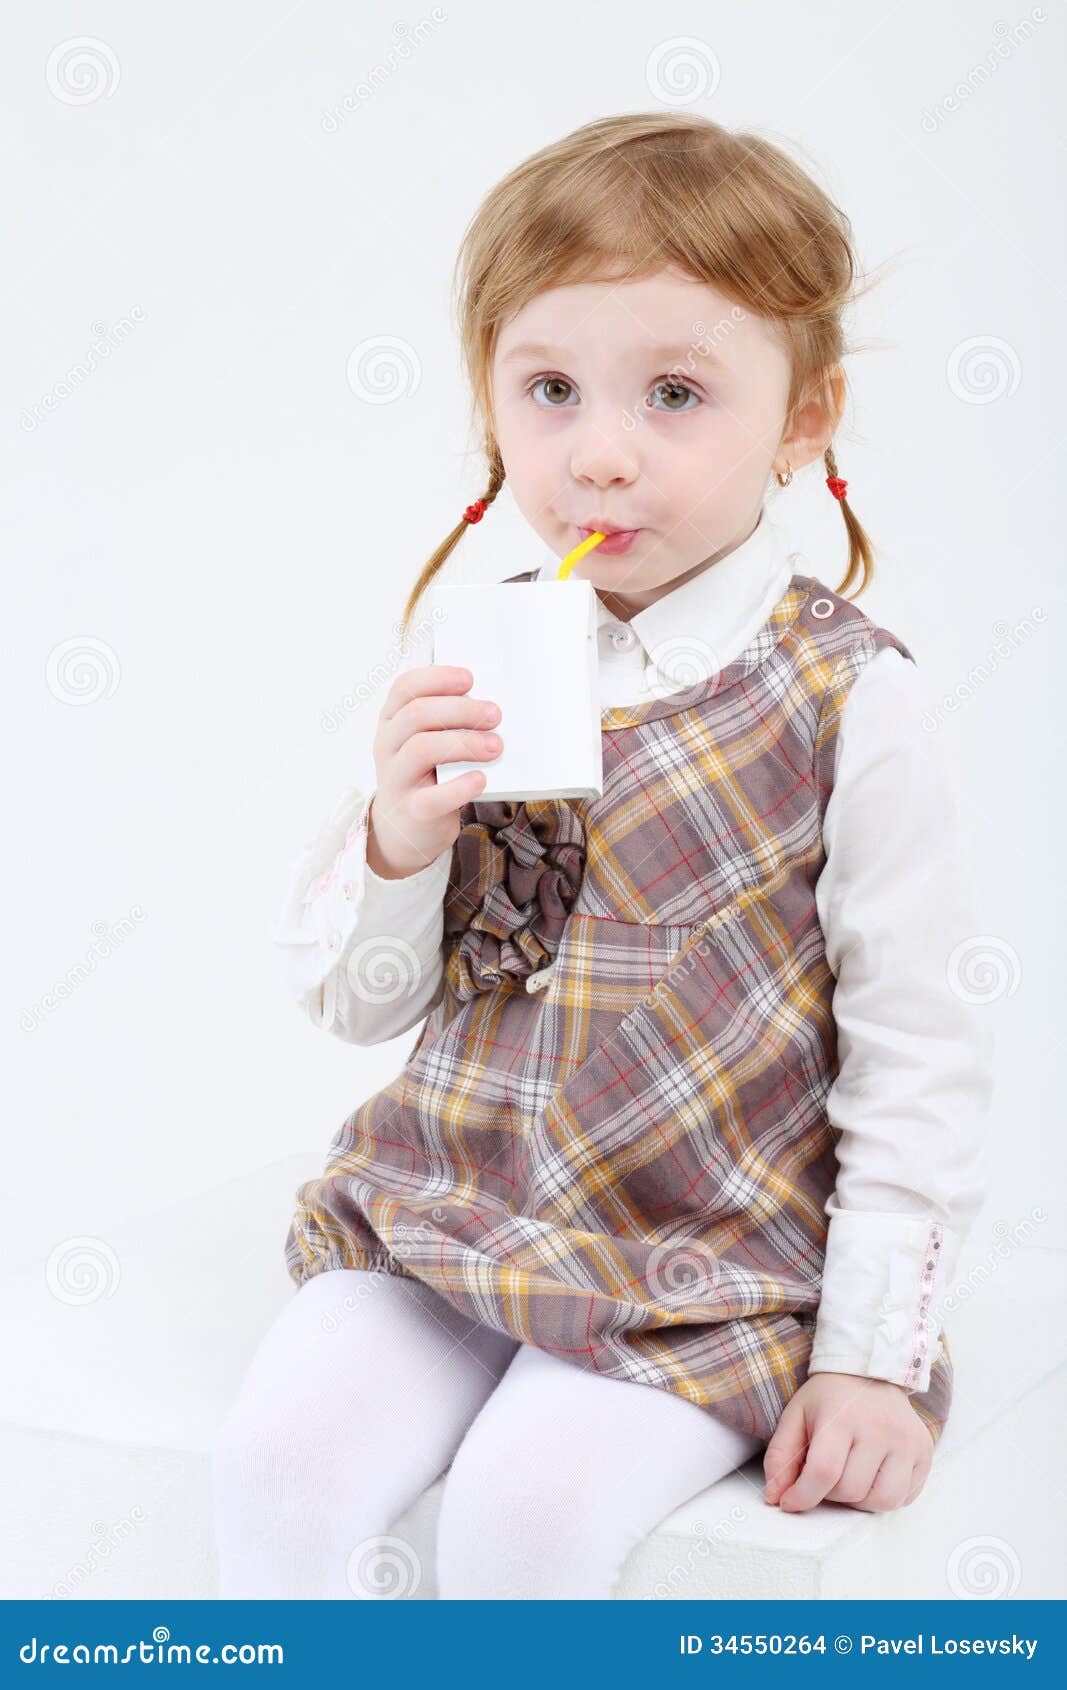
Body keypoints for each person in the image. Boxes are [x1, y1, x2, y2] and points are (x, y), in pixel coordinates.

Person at [211, 112, 993, 1601]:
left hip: (698, 1255)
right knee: (279, 1469)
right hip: (457, 1205)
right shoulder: (478, 647)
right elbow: (362, 1006)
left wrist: (874, 1361)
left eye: (678, 394)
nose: (601, 454)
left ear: (805, 417)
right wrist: (398, 841)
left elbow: (921, 1046)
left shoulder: (845, 696)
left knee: (526, 1514)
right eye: (550, 390)